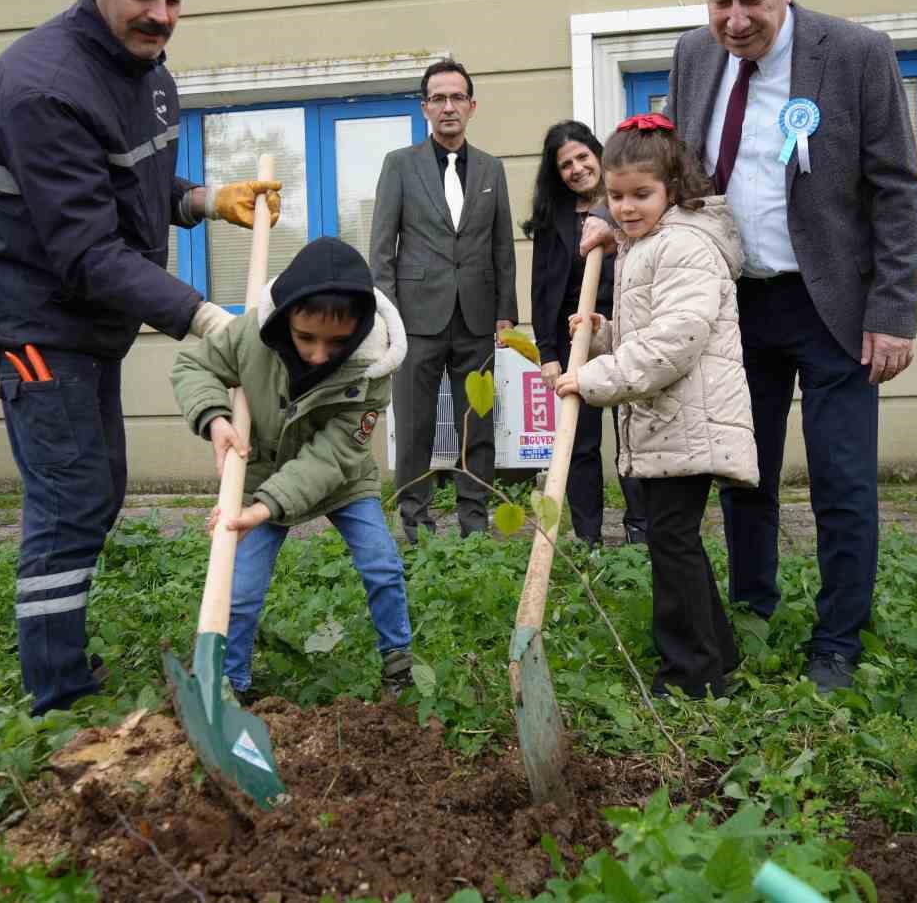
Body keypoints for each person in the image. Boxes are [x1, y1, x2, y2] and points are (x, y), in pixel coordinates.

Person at [591, 0, 917, 692]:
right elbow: (679, 173)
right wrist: (617, 218)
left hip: (835, 305)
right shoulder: (693, 56)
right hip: (736, 306)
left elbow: (899, 193)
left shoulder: (856, 55)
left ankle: (838, 640)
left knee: (844, 481)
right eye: (720, 2)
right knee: (746, 471)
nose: (735, 20)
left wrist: (893, 311)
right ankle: (752, 607)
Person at [0, 0, 281, 716]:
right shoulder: (41, 88)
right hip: (38, 321)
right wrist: (209, 320)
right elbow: (83, 247)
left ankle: (62, 661)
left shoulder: (151, 74)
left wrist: (208, 200)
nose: (163, 16)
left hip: (88, 320)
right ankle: (55, 693)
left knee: (98, 489)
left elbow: (133, 192)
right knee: (72, 495)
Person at [556, 113, 756, 698]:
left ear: (674, 188)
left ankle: (691, 676)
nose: (625, 207)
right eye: (614, 196)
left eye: (641, 194)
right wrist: (601, 333)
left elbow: (674, 342)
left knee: (670, 543)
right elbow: (647, 331)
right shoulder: (645, 246)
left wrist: (592, 379)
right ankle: (718, 653)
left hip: (688, 421)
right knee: (678, 540)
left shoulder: (685, 245)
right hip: (670, 420)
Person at [174, 237, 414, 703]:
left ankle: (399, 666)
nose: (320, 355)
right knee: (238, 592)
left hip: (342, 479)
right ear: (285, 317)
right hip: (261, 473)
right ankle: (232, 689)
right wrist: (216, 418)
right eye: (306, 338)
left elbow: (334, 454)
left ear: (360, 328)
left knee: (382, 566)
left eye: (336, 342)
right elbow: (193, 366)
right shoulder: (250, 336)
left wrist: (265, 510)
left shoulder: (372, 367)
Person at [369, 60, 518, 543]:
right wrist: (388, 318)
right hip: (415, 320)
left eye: (457, 98)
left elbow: (502, 248)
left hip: (476, 320)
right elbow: (381, 249)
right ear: (425, 108)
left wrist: (505, 314)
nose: (448, 107)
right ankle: (415, 523)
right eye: (438, 98)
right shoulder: (399, 164)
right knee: (414, 426)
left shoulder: (493, 168)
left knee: (479, 424)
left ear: (472, 107)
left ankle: (475, 523)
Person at [525, 120, 648, 548]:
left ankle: (640, 530)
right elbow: (542, 289)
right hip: (574, 340)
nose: (576, 168)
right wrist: (547, 352)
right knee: (580, 440)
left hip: (629, 332)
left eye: (582, 157)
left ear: (599, 155)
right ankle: (589, 535)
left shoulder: (627, 203)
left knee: (633, 435)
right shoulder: (552, 218)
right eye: (565, 165)